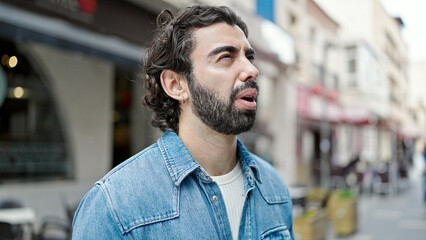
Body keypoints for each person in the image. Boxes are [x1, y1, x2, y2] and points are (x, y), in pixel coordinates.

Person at [72, 5, 294, 240]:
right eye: (226, 57)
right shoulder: (114, 206)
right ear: (176, 85)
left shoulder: (273, 188)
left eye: (249, 57)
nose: (252, 70)